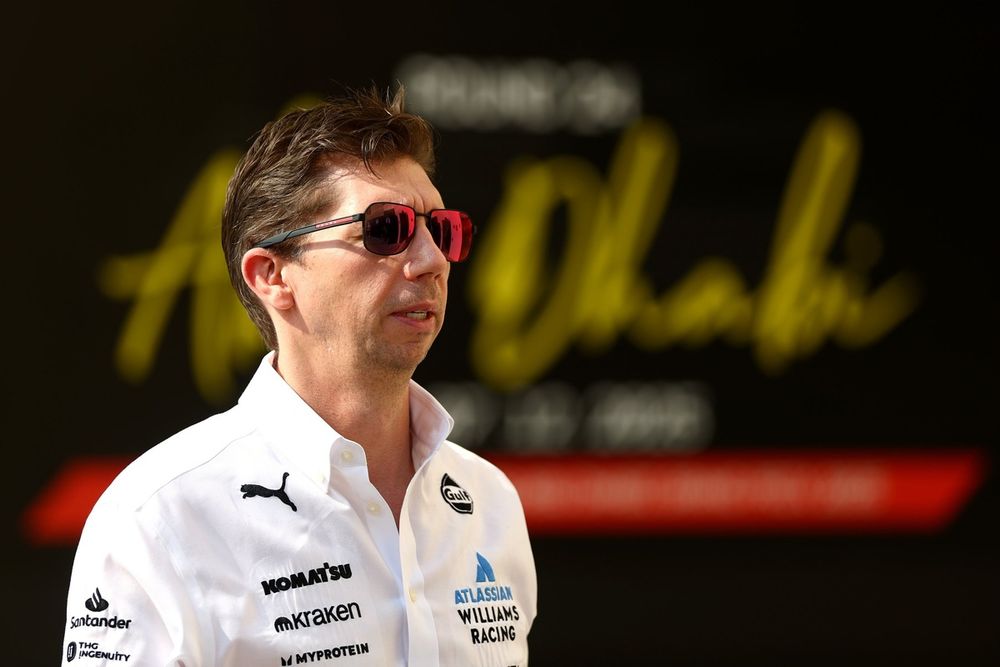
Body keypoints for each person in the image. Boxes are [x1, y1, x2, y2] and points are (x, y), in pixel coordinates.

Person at [61, 85, 537, 666]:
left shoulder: (489, 500)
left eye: (442, 230)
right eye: (386, 229)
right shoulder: (159, 516)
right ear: (273, 275)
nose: (431, 260)